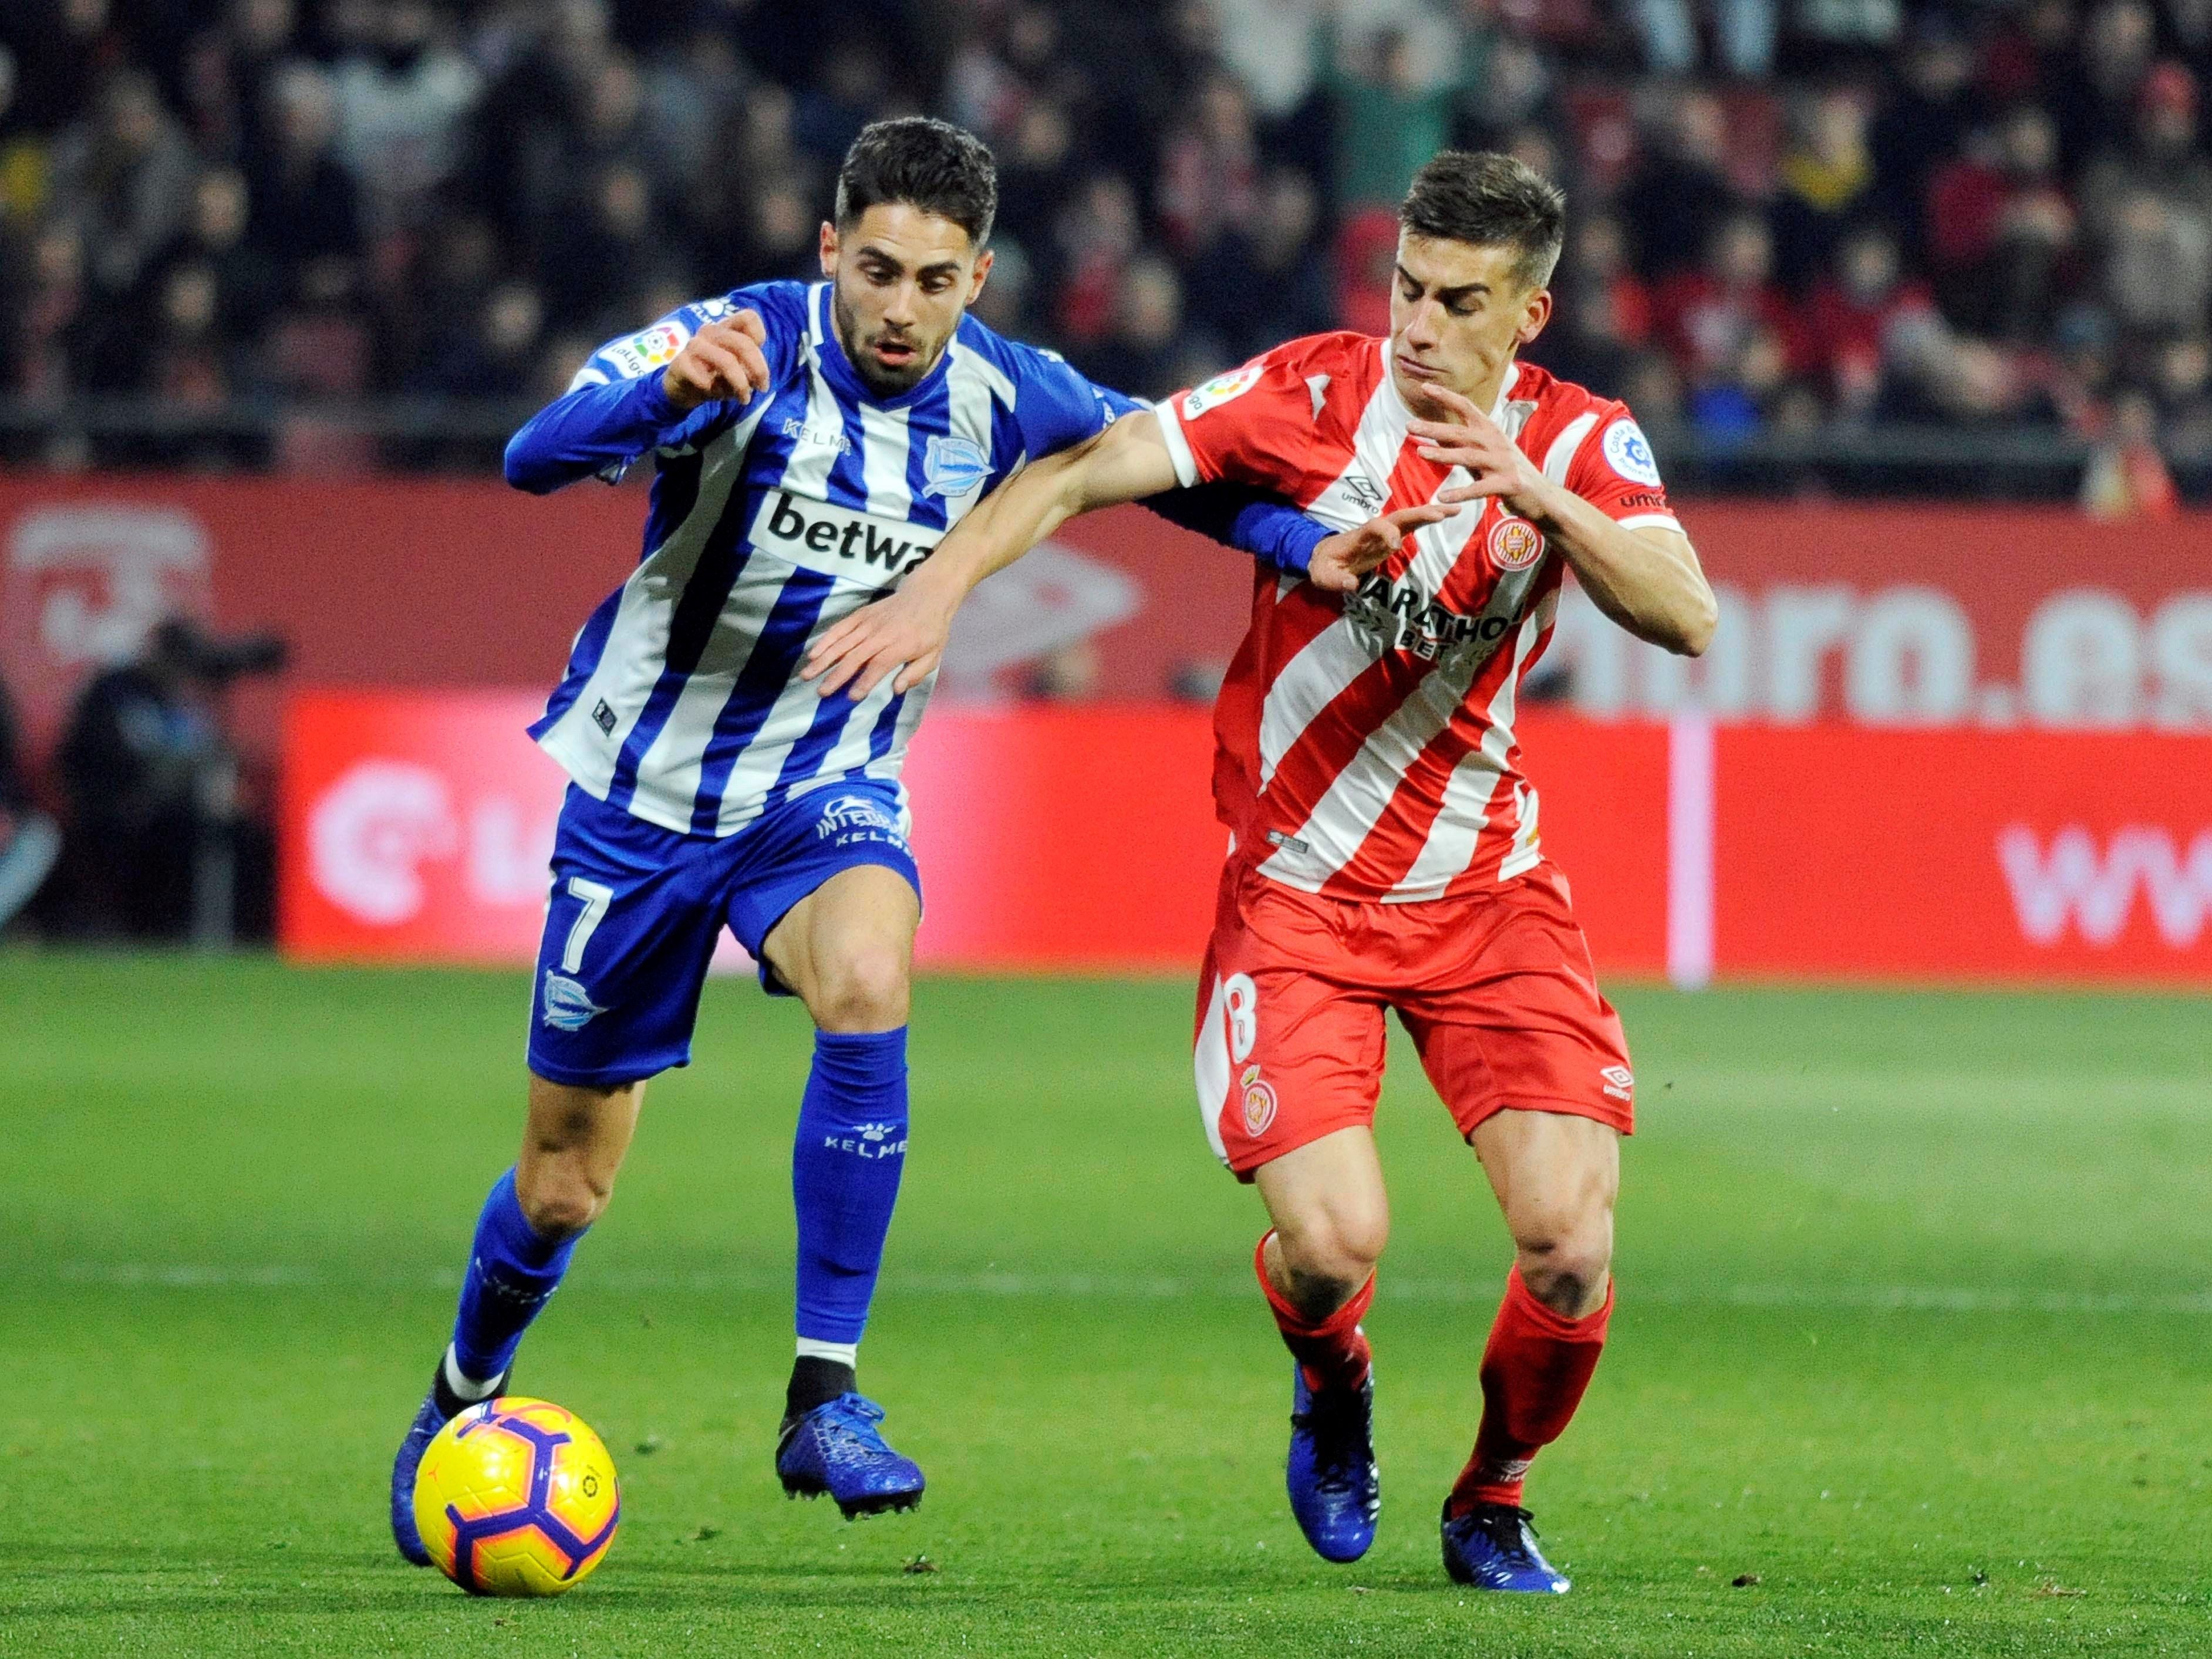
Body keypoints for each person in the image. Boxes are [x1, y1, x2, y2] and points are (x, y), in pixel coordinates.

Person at [386, 115, 1421, 1564]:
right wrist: (658, 401)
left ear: (979, 278)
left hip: (826, 787)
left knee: (871, 981)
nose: (900, 308)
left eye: (936, 281)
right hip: (641, 797)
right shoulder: (737, 341)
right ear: (830, 251)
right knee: (565, 1182)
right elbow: (528, 456)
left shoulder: (1008, 393)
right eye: (876, 270)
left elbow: (1168, 462)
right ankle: (462, 1394)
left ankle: (827, 1391)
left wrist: (1298, 543)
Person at [804, 150, 1716, 1593]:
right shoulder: (1305, 392)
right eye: (1406, 287)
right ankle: (1331, 1368)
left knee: (1567, 1255)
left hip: (1488, 897)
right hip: (1295, 901)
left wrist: (1539, 496)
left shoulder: (1584, 444)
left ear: (1527, 317)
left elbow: (1687, 615)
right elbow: (1090, 468)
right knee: (1336, 1244)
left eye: (1459, 301)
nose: (1417, 325)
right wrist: (940, 593)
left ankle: (1491, 1496)